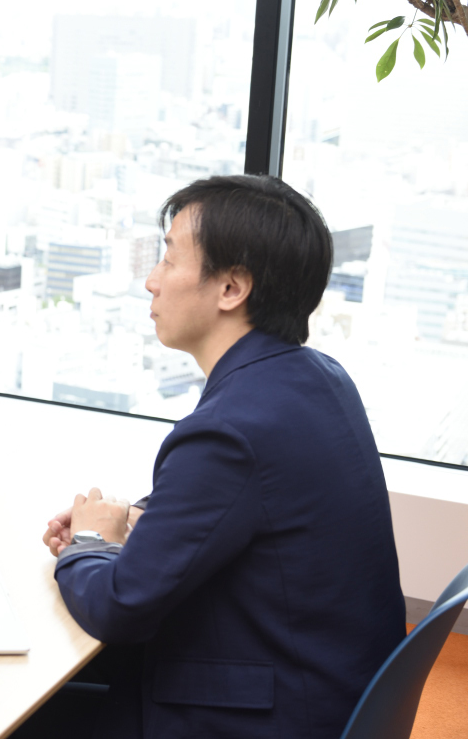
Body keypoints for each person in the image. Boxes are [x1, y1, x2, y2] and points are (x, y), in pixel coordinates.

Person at [25, 175, 405, 738]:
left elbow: (118, 608)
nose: (152, 281)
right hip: (334, 699)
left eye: (170, 259)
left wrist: (84, 545)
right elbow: (248, 502)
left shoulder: (228, 432)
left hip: (260, 719)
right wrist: (130, 521)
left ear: (231, 288)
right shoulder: (321, 378)